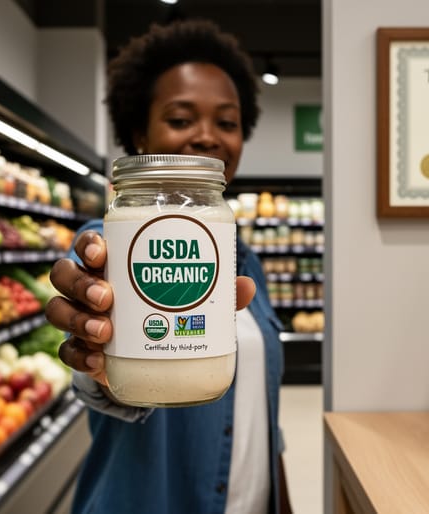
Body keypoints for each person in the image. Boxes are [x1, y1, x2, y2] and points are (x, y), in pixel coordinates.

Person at [45, 19, 287, 514]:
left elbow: (261, 414)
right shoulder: (109, 242)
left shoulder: (244, 259)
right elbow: (106, 384)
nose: (207, 137)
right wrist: (98, 359)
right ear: (140, 132)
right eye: (180, 119)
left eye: (227, 122)